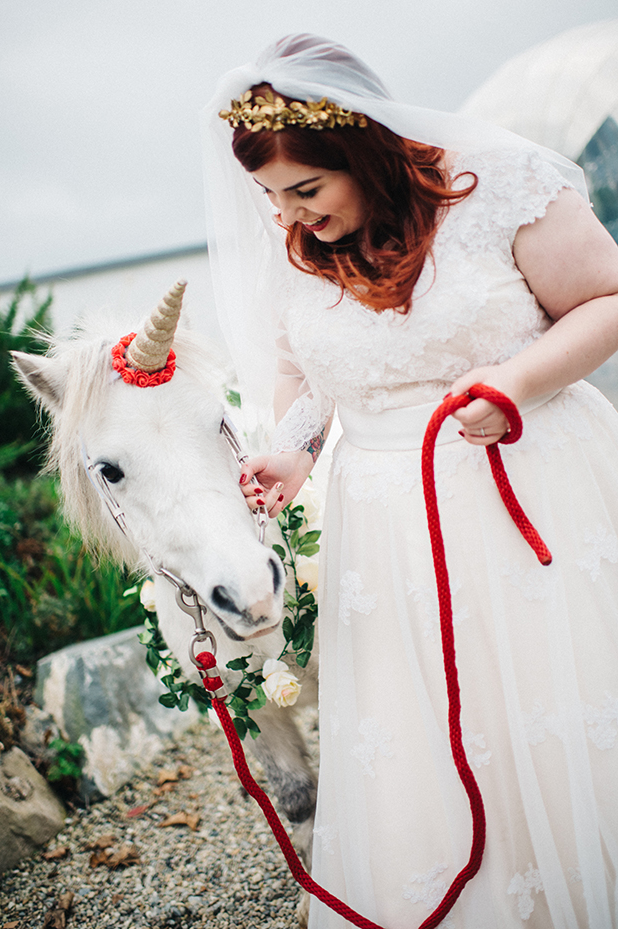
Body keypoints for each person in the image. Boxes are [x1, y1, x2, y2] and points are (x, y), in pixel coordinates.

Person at [202, 34, 618, 928]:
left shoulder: (500, 187)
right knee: (422, 728)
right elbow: (307, 375)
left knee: (545, 704)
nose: (291, 218)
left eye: (307, 189)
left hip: (530, 481)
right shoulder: (296, 244)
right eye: (270, 197)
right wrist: (296, 449)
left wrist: (516, 383)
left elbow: (607, 300)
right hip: (385, 525)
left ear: (362, 148)